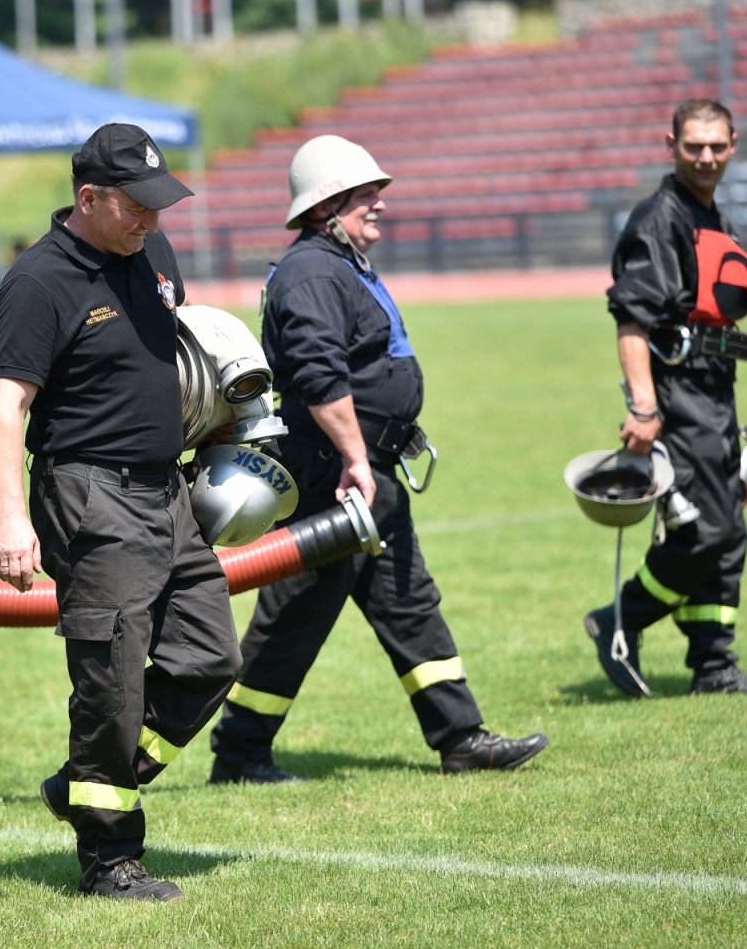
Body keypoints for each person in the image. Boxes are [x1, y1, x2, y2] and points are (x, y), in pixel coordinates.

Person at [206, 135, 549, 783]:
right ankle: (237, 752)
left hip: (365, 471)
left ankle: (461, 737)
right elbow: (318, 375)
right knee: (294, 614)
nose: (380, 207)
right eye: (367, 196)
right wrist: (357, 460)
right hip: (332, 474)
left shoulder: (342, 262)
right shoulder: (311, 272)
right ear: (326, 205)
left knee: (406, 600)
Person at [0, 124, 240, 902]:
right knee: (112, 683)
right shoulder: (39, 282)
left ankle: (85, 785)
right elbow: (7, 408)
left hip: (168, 490)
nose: (152, 223)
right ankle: (108, 860)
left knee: (209, 660)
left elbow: (179, 352)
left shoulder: (152, 255)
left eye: (159, 206)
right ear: (87, 198)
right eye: (136, 208)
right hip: (91, 497)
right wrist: (9, 518)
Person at [585, 99, 747, 697]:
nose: (705, 157)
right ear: (669, 144)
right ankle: (617, 619)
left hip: (713, 391)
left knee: (729, 524)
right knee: (709, 530)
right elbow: (631, 321)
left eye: (716, 146)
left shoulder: (713, 218)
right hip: (677, 397)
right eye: (693, 145)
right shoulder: (659, 219)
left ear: (733, 145)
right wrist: (644, 407)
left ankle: (713, 666)